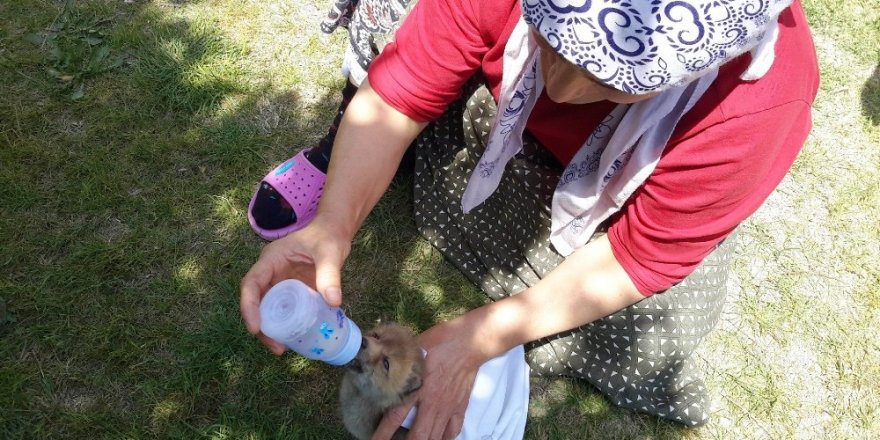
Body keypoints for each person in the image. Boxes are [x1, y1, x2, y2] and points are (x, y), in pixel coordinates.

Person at [240, 0, 819, 436]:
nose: (564, 89)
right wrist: (333, 223)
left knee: (648, 330)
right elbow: (400, 94)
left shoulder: (760, 102)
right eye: (547, 37)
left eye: (615, 82)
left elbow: (642, 254)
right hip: (509, 131)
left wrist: (484, 336)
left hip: (626, 196)